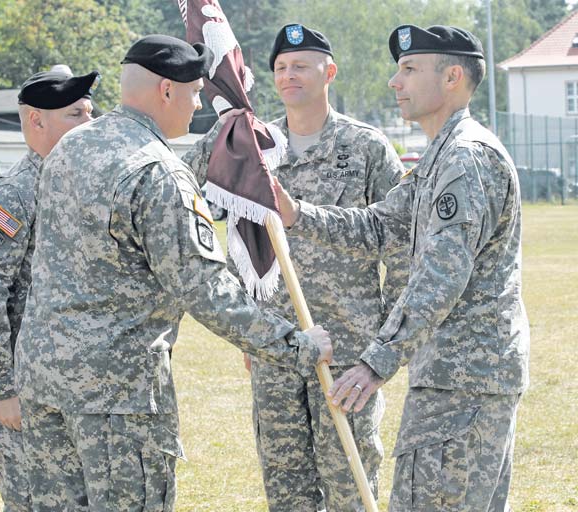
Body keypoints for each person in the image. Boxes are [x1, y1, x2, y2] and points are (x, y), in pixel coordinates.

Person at [13, 34, 332, 512]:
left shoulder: (69, 147)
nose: (199, 102)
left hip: (44, 383)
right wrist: (298, 345)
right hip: (117, 397)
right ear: (166, 91)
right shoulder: (155, 171)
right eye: (195, 92)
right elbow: (206, 290)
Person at [276, 24, 530, 511]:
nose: (396, 82)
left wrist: (376, 361)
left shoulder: (466, 159)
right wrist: (295, 214)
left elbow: (441, 275)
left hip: (464, 381)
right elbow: (377, 227)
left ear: (453, 76)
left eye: (410, 69)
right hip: (450, 376)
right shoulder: (441, 157)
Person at [185, 23, 405, 511]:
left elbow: (401, 244)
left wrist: (385, 342)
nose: (289, 76)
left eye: (301, 66)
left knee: (350, 477)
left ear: (329, 72)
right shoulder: (254, 148)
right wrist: (250, 331)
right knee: (285, 481)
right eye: (281, 68)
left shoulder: (366, 148)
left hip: (348, 347)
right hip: (277, 344)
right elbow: (228, 227)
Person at [0, 66, 98, 511]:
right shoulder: (14, 196)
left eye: (90, 111)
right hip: (29, 400)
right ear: (37, 121)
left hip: (79, 394)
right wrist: (3, 391)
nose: (89, 123)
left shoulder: (79, 186)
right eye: (76, 113)